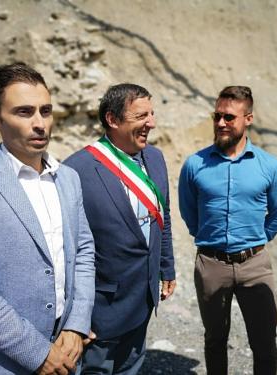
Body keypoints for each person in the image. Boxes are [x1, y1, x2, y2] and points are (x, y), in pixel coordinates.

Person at [0, 62, 96, 375]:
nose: (40, 123)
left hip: (67, 355)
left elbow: (83, 254)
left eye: (46, 110)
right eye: (24, 112)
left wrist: (77, 325)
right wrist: (38, 353)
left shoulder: (68, 178)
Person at [64, 83, 176, 374]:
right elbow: (66, 249)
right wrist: (74, 319)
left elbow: (162, 217)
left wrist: (167, 267)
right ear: (112, 120)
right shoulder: (77, 169)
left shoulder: (155, 158)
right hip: (102, 308)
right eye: (141, 116)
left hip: (143, 299)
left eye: (152, 114)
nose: (151, 123)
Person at [178, 86, 277, 375]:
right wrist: (209, 240)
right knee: (215, 339)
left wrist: (256, 241)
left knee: (264, 341)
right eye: (217, 116)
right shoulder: (194, 165)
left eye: (229, 117)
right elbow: (189, 212)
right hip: (210, 265)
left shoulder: (270, 166)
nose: (221, 123)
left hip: (255, 265)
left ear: (248, 118)